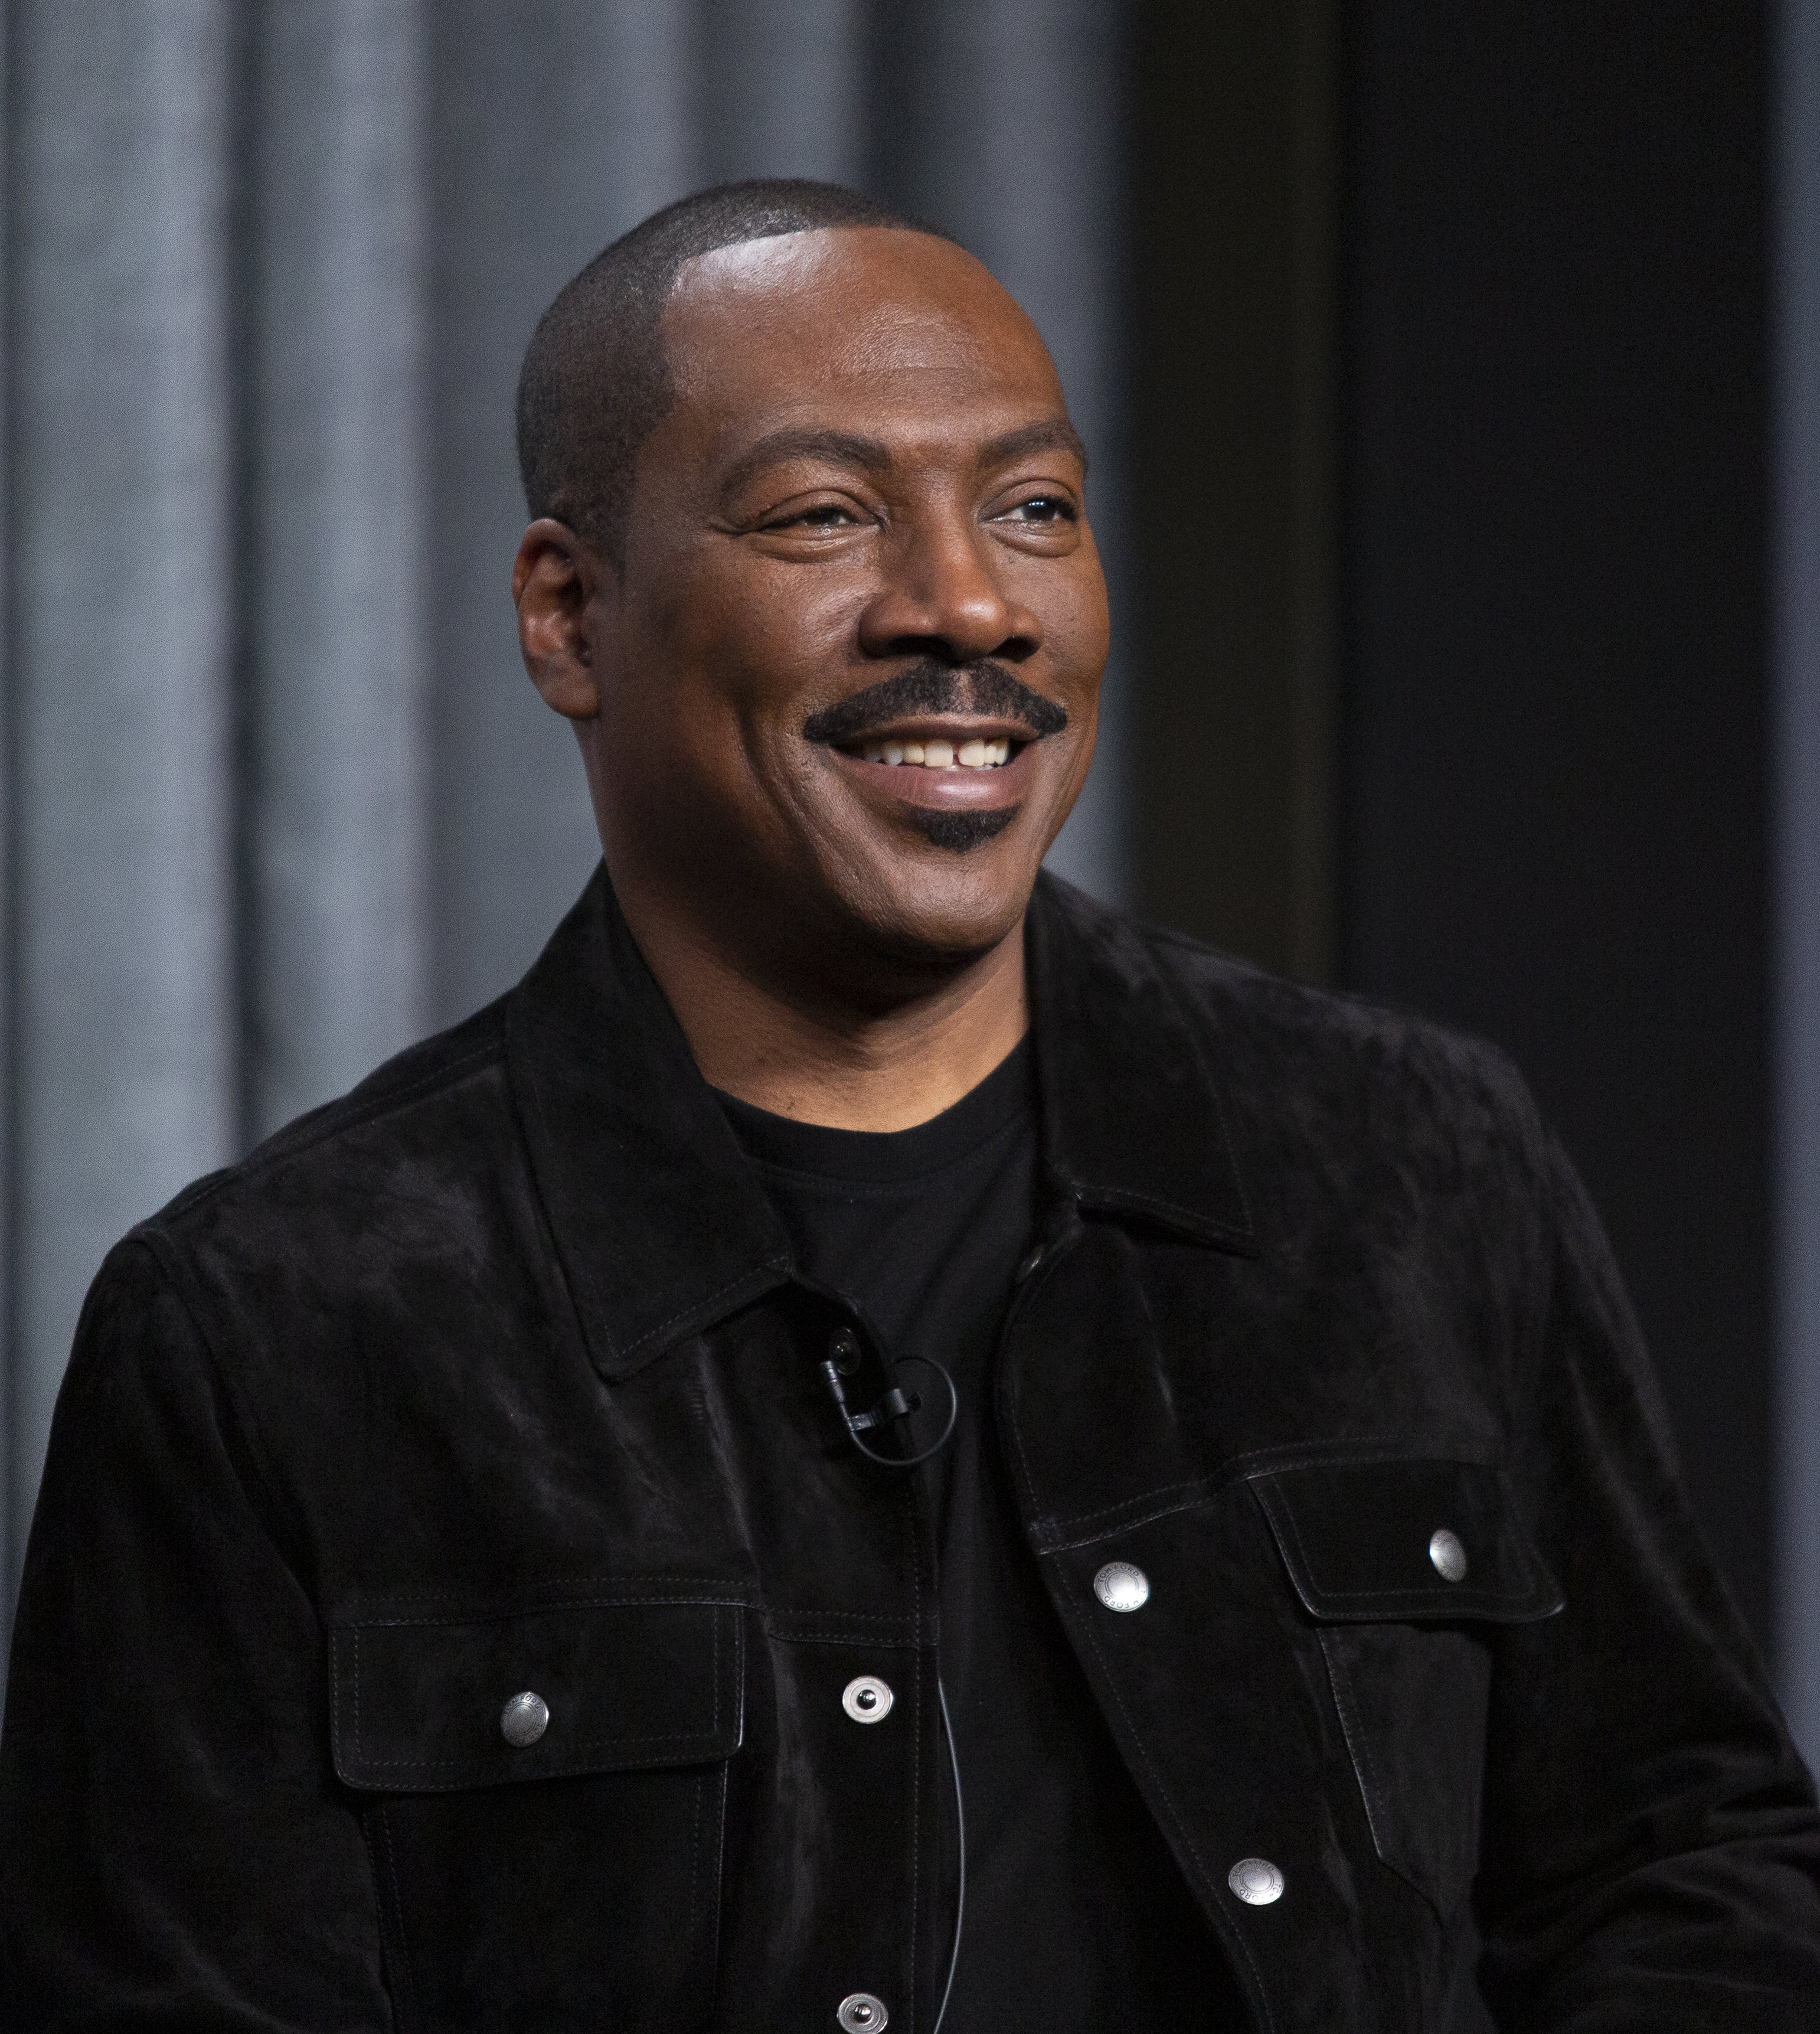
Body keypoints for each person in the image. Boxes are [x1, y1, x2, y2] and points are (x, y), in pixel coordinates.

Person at [2, 177, 1816, 2034]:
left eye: (1033, 510)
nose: (966, 605)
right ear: (568, 616)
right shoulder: (281, 1324)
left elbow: (1678, 1863)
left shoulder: (1410, 1165)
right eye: (824, 516)